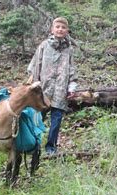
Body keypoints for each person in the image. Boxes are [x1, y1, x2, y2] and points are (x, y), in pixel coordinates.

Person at [27, 17, 78, 155]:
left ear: (67, 31)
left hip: (60, 91)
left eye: (63, 27)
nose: (60, 29)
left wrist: (72, 86)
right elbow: (35, 65)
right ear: (52, 29)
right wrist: (34, 84)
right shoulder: (44, 46)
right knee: (38, 119)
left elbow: (72, 69)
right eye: (57, 27)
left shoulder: (69, 50)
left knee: (56, 121)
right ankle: (34, 145)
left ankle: (51, 148)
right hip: (43, 90)